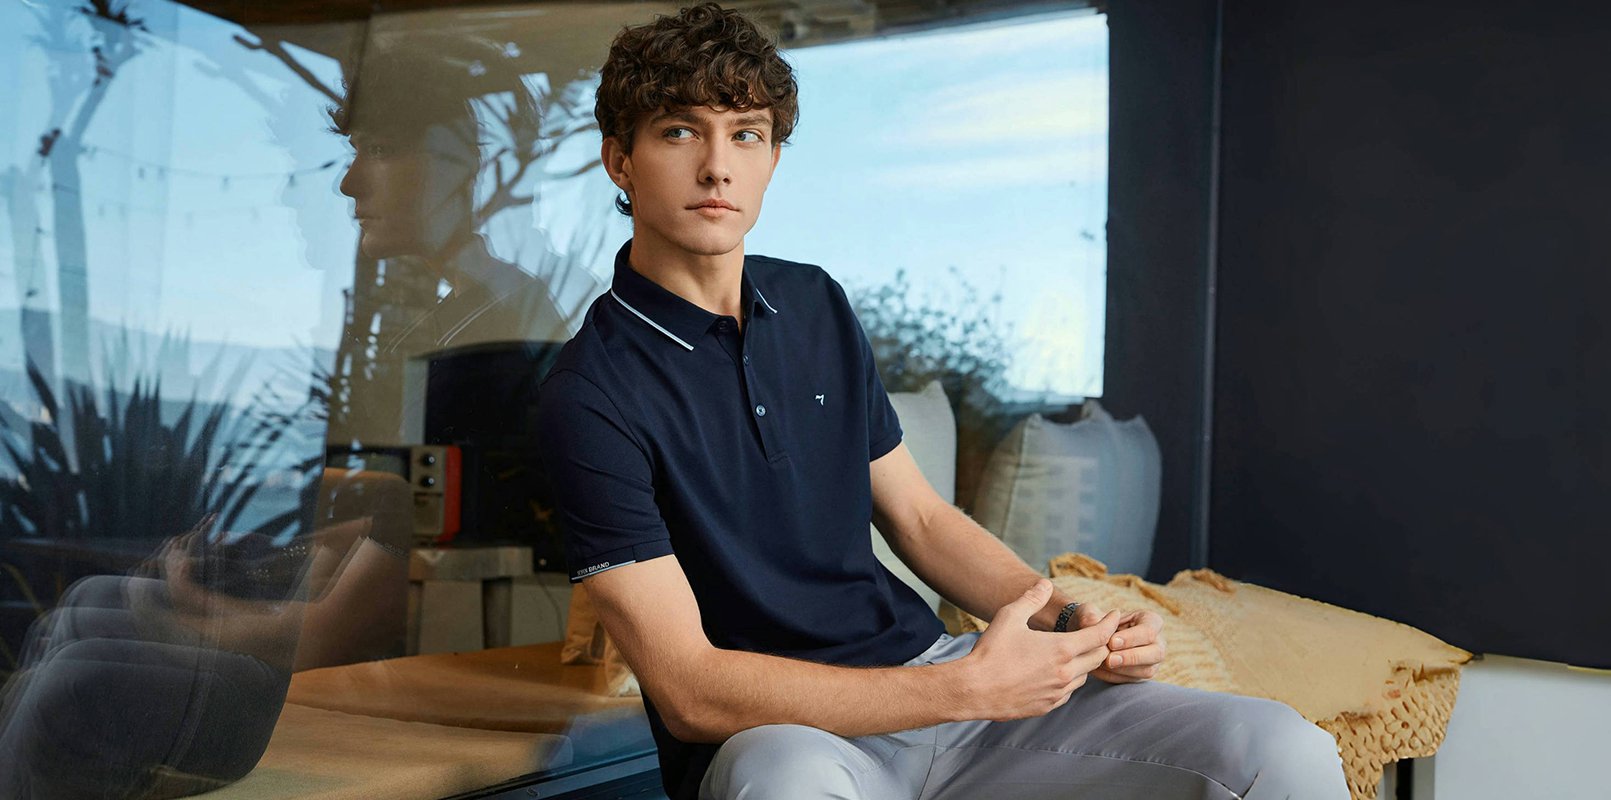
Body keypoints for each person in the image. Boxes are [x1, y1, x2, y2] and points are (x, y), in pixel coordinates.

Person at [537, 5, 1350, 799]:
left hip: (936, 682)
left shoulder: (813, 302)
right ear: (620, 160)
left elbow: (922, 521)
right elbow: (690, 691)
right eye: (681, 131)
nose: (718, 166)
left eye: (745, 134)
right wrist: (967, 688)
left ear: (773, 159)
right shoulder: (591, 394)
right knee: (783, 784)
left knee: (1277, 748)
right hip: (786, 734)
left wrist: (1070, 621)